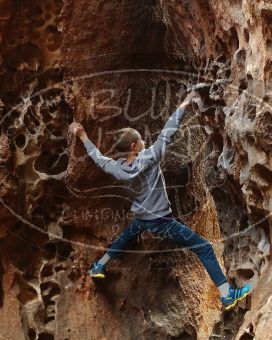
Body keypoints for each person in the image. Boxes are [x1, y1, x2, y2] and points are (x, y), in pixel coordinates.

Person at [69, 90, 252, 310]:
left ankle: (99, 266)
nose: (144, 141)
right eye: (140, 139)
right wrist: (183, 104)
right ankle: (227, 295)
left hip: (142, 218)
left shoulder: (117, 169)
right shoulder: (149, 158)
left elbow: (98, 158)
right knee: (203, 247)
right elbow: (167, 133)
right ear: (135, 147)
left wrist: (82, 136)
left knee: (126, 236)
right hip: (162, 222)